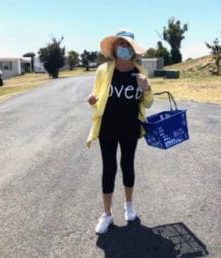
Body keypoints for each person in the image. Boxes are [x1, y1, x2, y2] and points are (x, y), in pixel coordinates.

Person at [86, 30, 154, 234]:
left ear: (133, 50)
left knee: (127, 165)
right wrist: (92, 99)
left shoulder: (140, 72)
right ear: (114, 48)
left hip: (130, 127)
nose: (123, 48)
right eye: (120, 44)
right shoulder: (103, 70)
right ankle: (107, 214)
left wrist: (147, 87)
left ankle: (129, 204)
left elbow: (148, 103)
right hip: (107, 127)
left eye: (127, 45)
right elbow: (96, 95)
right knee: (109, 168)